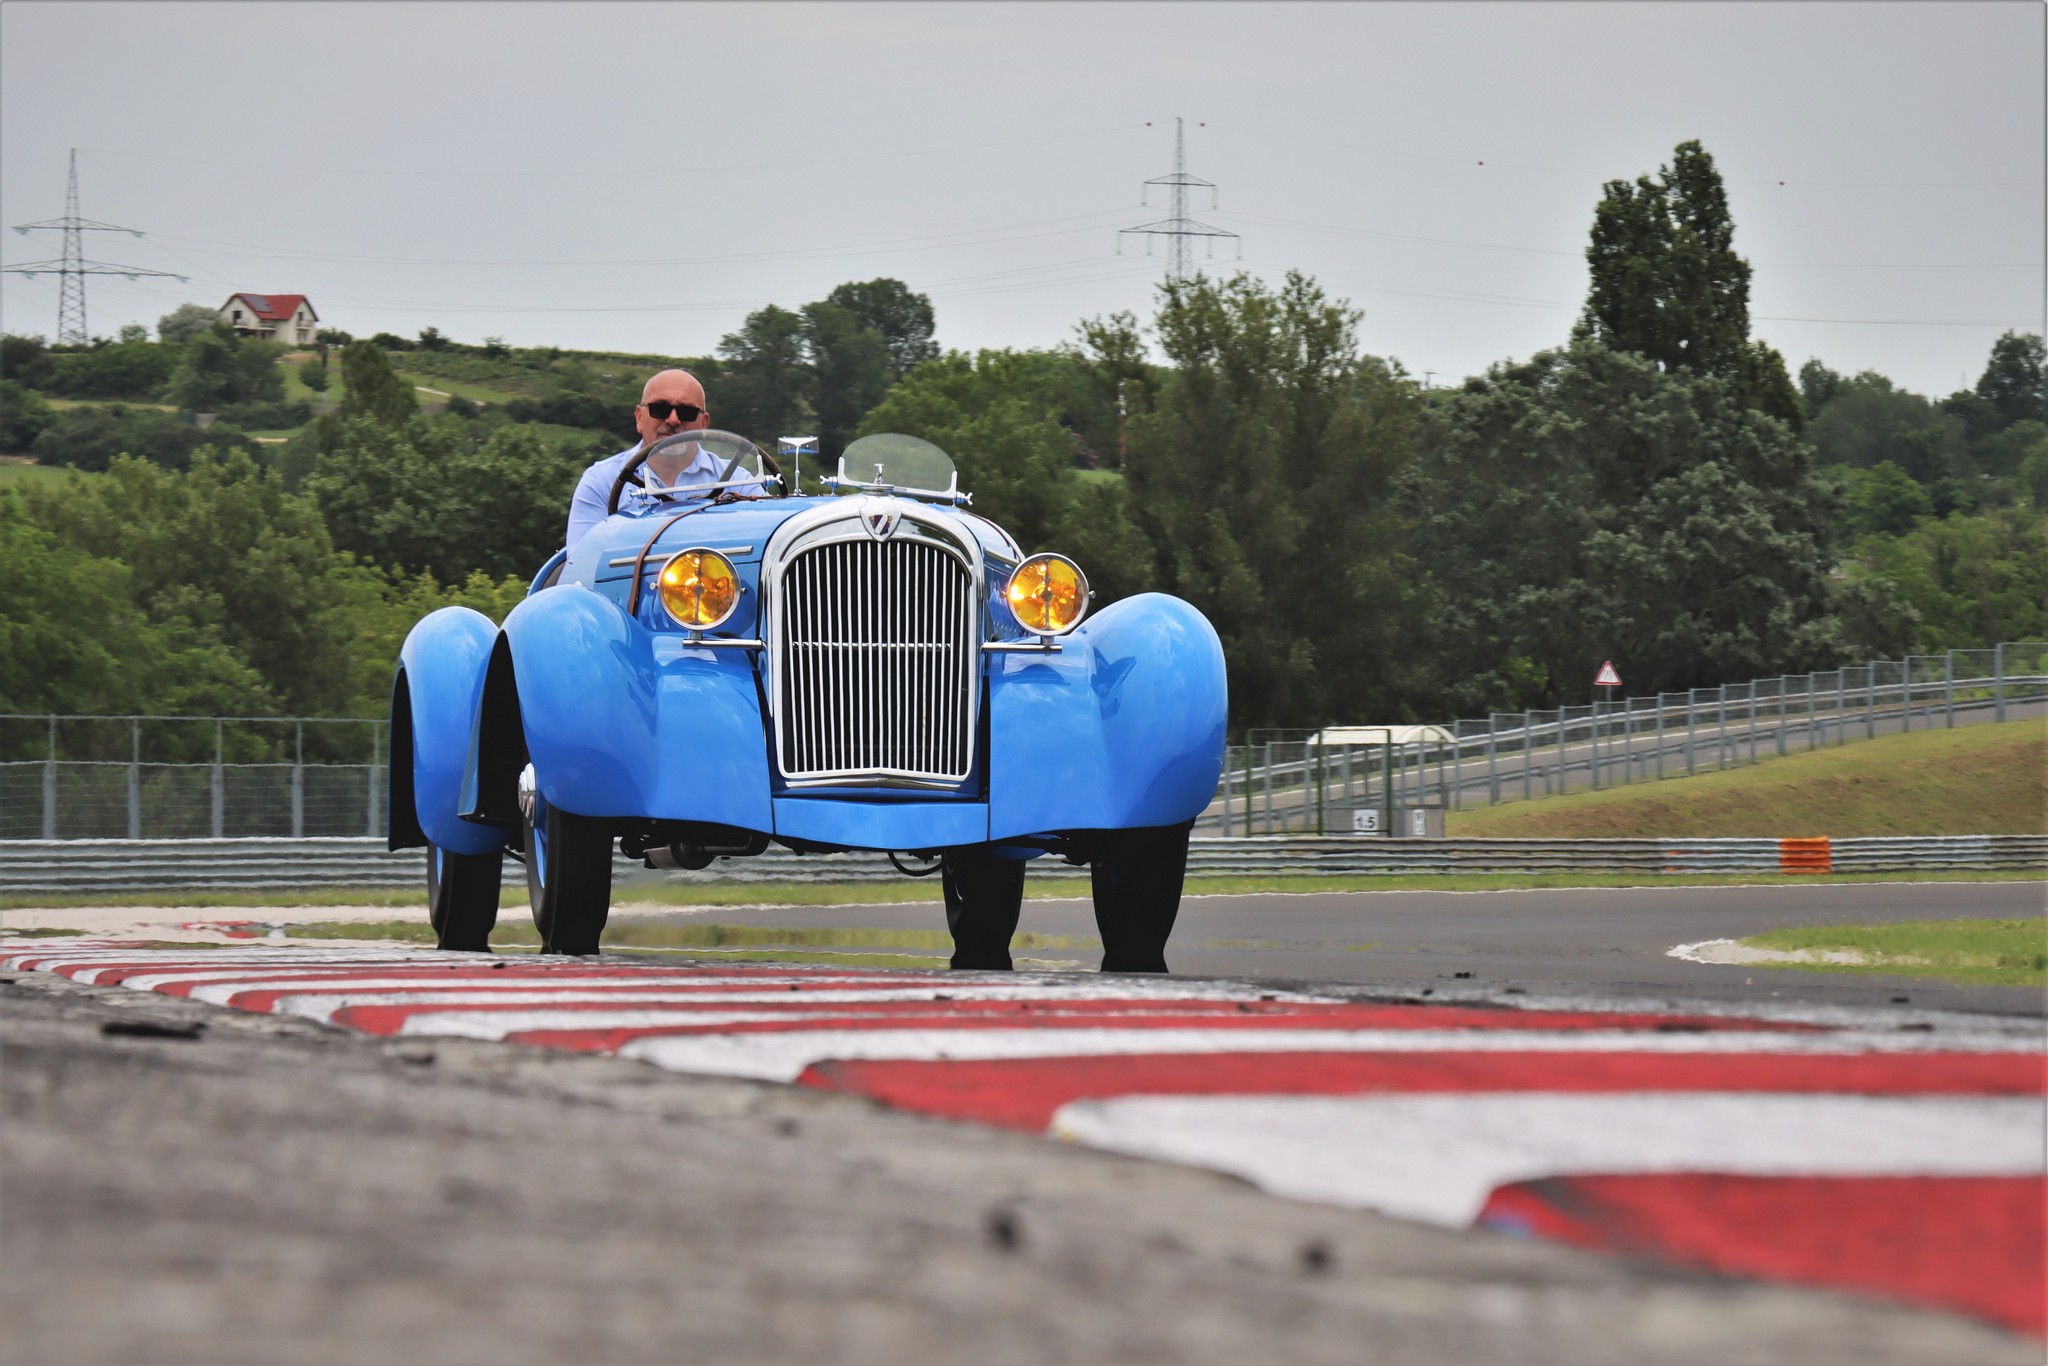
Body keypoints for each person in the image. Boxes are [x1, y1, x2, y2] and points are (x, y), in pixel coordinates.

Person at [564, 368, 734, 549]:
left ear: (704, 424)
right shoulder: (601, 482)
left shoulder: (739, 481)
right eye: (660, 409)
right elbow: (582, 564)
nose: (673, 420)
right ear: (639, 418)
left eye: (687, 412)